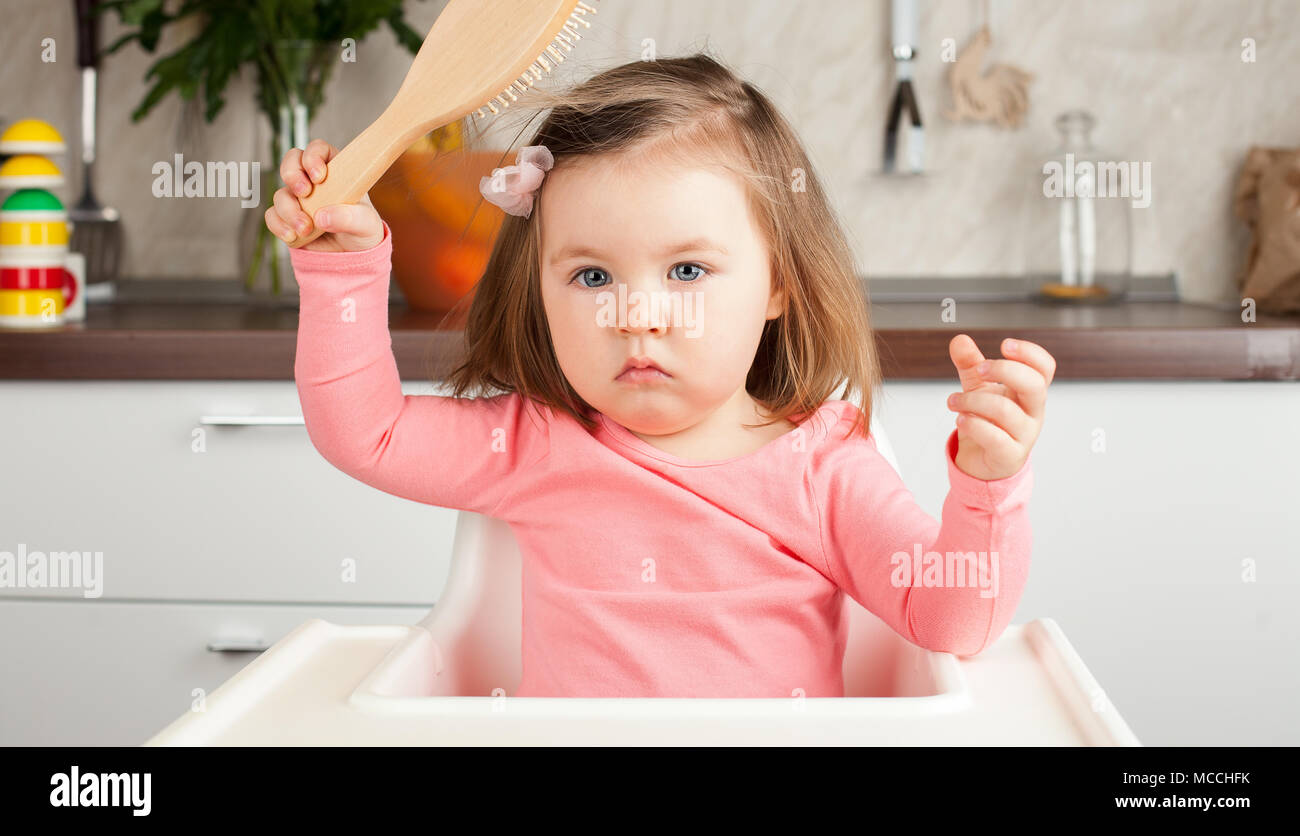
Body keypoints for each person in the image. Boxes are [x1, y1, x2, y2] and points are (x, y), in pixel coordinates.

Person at [269, 52, 1056, 697]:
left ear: (778, 283)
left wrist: (988, 486)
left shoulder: (825, 467)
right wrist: (342, 272)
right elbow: (364, 433)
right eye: (590, 278)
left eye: (686, 269)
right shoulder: (536, 441)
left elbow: (953, 621)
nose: (637, 315)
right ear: (539, 290)